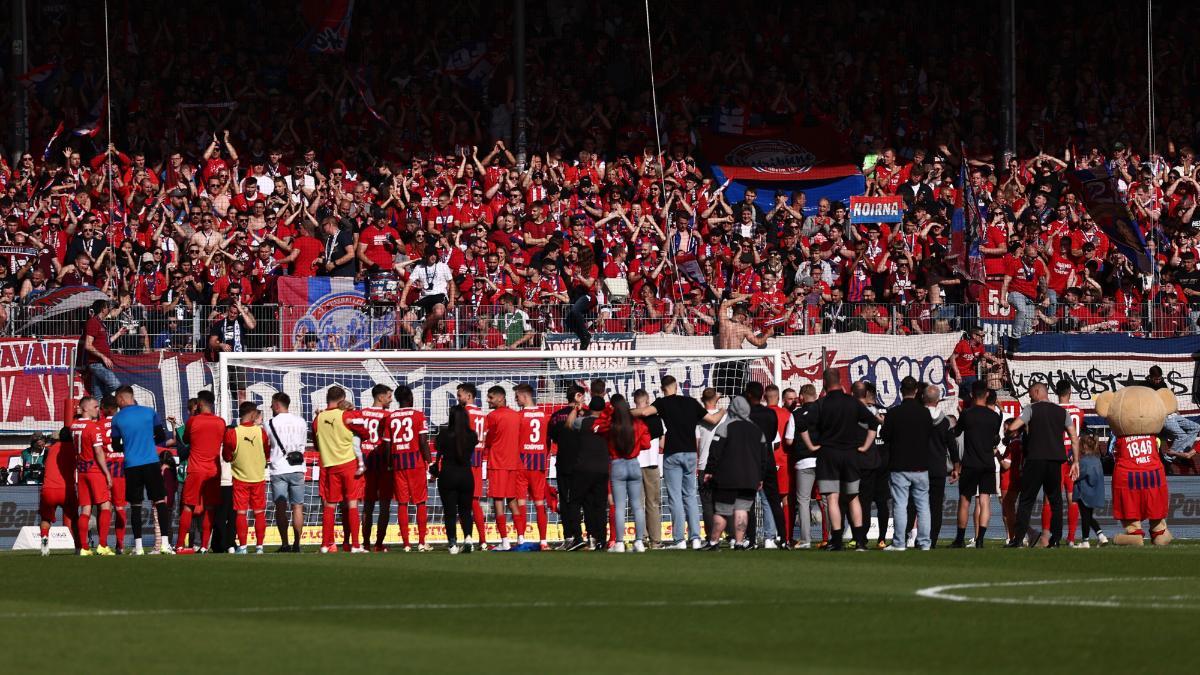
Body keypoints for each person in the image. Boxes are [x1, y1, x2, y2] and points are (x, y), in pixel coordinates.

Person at [793, 369, 879, 551]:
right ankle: (860, 541)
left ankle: (837, 540)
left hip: (829, 453)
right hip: (850, 453)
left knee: (832, 498)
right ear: (841, 381)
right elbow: (873, 422)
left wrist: (810, 446)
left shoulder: (821, 404)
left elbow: (801, 423)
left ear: (824, 383)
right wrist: (864, 446)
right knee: (853, 497)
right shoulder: (853, 402)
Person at [632, 375, 706, 549]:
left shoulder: (662, 403)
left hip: (672, 454)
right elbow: (710, 419)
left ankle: (679, 539)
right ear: (677, 386)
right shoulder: (691, 402)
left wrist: (621, 411)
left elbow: (643, 412)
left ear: (662, 388)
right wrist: (721, 411)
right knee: (690, 496)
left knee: (674, 497)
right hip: (690, 453)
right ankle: (695, 538)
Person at [1006, 382, 1080, 547]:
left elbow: (1013, 426)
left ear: (1038, 391)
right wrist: (1075, 461)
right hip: (1055, 462)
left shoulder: (1031, 409)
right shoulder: (1062, 412)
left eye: (1031, 393)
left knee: (1026, 501)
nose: (1030, 396)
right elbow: (1074, 437)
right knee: (1056, 501)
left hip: (1035, 460)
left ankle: (1018, 539)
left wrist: (1009, 434)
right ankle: (1056, 539)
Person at [110, 385, 173, 555]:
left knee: (136, 506)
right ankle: (165, 544)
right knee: (160, 502)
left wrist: (130, 445)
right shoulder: (149, 412)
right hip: (151, 462)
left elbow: (115, 445)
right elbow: (160, 437)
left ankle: (138, 548)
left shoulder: (116, 419)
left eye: (117, 400)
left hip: (132, 465)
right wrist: (146, 442)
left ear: (122, 399)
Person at [703, 396, 771, 550]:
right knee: (742, 510)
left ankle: (713, 542)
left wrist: (709, 470)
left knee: (721, 511)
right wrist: (760, 477)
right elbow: (763, 457)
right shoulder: (757, 430)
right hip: (750, 478)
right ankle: (739, 543)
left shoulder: (725, 427)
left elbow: (715, 452)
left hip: (728, 477)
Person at [880, 377, 935, 551]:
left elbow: (886, 436)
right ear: (917, 391)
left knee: (900, 505)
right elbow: (929, 435)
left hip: (900, 465)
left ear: (900, 390)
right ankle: (925, 542)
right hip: (921, 465)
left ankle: (899, 543)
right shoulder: (924, 413)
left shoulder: (894, 413)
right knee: (923, 506)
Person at [313, 386, 367, 553]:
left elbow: (316, 444)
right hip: (349, 463)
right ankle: (356, 545)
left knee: (329, 505)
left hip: (330, 465)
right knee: (352, 504)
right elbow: (365, 432)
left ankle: (325, 544)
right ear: (342, 399)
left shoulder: (318, 418)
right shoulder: (346, 415)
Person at [951, 381, 1002, 548]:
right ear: (987, 394)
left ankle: (960, 539)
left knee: (965, 501)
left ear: (972, 395)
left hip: (971, 463)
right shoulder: (994, 417)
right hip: (988, 463)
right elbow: (995, 438)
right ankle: (980, 539)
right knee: (985, 501)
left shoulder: (967, 414)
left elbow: (956, 432)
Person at [597, 394, 651, 553]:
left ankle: (619, 542)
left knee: (619, 506)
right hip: (634, 463)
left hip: (617, 464)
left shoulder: (610, 425)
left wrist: (606, 412)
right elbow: (647, 444)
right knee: (637, 506)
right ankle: (639, 542)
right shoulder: (638, 424)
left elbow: (596, 427)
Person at [386, 386, 432, 552]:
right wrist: (430, 462)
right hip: (416, 464)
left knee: (402, 503)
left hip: (398, 464)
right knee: (420, 502)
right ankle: (421, 542)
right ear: (411, 398)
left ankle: (406, 544)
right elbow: (423, 441)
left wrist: (389, 463)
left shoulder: (391, 418)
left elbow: (387, 444)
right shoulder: (418, 415)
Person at [350, 384, 395, 552]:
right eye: (389, 397)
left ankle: (366, 543)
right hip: (383, 462)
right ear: (380, 397)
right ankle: (379, 544)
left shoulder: (361, 414)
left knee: (367, 505)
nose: (391, 400)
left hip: (365, 462)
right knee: (384, 505)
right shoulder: (389, 416)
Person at [178, 397, 225, 554]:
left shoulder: (193, 421)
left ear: (198, 405)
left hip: (196, 469)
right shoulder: (221, 422)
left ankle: (179, 545)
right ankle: (204, 546)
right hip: (213, 470)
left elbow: (185, 440)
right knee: (210, 507)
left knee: (188, 506)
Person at [566, 396, 615, 549]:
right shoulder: (608, 423)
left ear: (590, 408)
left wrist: (575, 408)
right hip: (602, 469)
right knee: (599, 506)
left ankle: (578, 536)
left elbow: (568, 425)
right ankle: (600, 539)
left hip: (583, 468)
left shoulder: (583, 422)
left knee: (574, 502)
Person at [1040, 379, 1084, 546]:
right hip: (1072, 457)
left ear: (1055, 392)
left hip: (1055, 456)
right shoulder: (1079, 412)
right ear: (1070, 391)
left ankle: (1046, 537)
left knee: (1049, 498)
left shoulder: (1052, 410)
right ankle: (1071, 538)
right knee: (1072, 498)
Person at [222, 401, 270, 554]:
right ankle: (259, 547)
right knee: (259, 512)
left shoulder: (233, 433)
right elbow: (267, 453)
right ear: (252, 414)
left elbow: (227, 456)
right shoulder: (260, 432)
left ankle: (243, 547)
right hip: (257, 477)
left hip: (240, 478)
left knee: (241, 513)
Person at [70, 397, 115, 556]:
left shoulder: (74, 426)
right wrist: (107, 473)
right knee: (105, 506)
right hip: (94, 470)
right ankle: (102, 544)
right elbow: (98, 452)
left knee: (86, 509)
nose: (98, 409)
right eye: (95, 407)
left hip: (81, 471)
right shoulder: (93, 428)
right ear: (85, 408)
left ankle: (84, 547)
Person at [743, 382, 786, 548]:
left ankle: (751, 539)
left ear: (748, 395)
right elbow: (773, 435)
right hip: (767, 456)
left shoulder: (744, 414)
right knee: (774, 500)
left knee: (749, 501)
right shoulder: (770, 414)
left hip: (750, 457)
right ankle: (783, 538)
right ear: (762, 395)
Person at [265, 392, 307, 553]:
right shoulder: (301, 421)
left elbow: (268, 444)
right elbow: (302, 444)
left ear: (276, 405)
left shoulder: (269, 423)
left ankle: (285, 543)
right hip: (297, 467)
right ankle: (297, 544)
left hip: (278, 468)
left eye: (271, 404)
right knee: (298, 507)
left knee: (280, 508)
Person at [549, 384, 588, 550]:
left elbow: (554, 437)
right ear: (578, 396)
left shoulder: (556, 416)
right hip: (581, 462)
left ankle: (569, 536)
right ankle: (583, 536)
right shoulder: (584, 415)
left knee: (565, 499)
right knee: (581, 500)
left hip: (563, 461)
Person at [436, 403, 478, 554]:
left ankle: (452, 544)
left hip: (448, 475)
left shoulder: (444, 434)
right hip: (466, 475)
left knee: (450, 512)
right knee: (466, 510)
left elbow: (438, 449)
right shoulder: (472, 435)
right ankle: (468, 538)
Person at [921, 384, 959, 548]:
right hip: (938, 468)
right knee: (935, 506)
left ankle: (917, 537)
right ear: (938, 400)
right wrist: (957, 467)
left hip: (919, 467)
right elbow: (953, 446)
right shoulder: (945, 422)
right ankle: (932, 539)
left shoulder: (918, 418)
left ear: (924, 398)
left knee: (917, 504)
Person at [484, 385, 522, 551]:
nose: (488, 400)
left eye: (491, 397)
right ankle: (521, 538)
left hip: (498, 463)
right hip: (513, 463)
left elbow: (489, 440)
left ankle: (505, 541)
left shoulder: (492, 416)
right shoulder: (516, 416)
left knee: (498, 500)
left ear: (500, 398)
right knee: (512, 500)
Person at [784, 385, 821, 549]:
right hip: (823, 460)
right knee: (827, 500)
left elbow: (789, 440)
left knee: (803, 501)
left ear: (801, 397)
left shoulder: (796, 414)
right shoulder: (823, 412)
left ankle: (806, 540)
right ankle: (832, 537)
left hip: (803, 461)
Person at [39, 400, 79, 555]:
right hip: (66, 489)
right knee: (75, 519)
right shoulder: (75, 449)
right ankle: (78, 547)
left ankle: (44, 544)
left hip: (48, 489)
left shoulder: (51, 449)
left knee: (45, 519)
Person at [514, 384, 551, 549]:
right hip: (538, 463)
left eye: (517, 396)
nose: (516, 399)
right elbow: (548, 441)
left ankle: (521, 538)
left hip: (521, 463)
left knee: (520, 502)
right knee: (539, 503)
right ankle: (543, 541)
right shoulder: (545, 416)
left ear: (524, 396)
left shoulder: (518, 416)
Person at [400, 248, 456, 349]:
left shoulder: (443, 266)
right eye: (430, 254)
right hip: (425, 297)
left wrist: (451, 301)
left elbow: (452, 283)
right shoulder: (419, 267)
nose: (433, 257)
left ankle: (421, 328)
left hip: (439, 295)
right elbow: (408, 284)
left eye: (435, 254)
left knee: (439, 312)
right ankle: (422, 347)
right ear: (426, 256)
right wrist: (402, 301)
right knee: (404, 322)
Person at [458, 383, 491, 550]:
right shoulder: (483, 415)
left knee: (464, 502)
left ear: (468, 395)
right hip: (478, 460)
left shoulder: (464, 413)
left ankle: (468, 538)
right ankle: (483, 541)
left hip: (465, 461)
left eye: (460, 395)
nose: (458, 398)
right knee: (474, 501)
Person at [1145, 366, 1199, 461]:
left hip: (1173, 414)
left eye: (1159, 378)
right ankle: (1168, 458)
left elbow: (1168, 398)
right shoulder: (1145, 387)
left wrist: (1175, 409)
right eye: (1156, 379)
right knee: (1182, 435)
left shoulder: (1163, 384)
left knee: (1196, 427)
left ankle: (1182, 451)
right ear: (1150, 377)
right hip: (1163, 416)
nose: (1158, 381)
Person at [631, 389, 663, 549]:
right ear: (648, 400)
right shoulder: (656, 419)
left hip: (635, 464)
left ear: (635, 401)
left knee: (638, 504)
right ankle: (655, 540)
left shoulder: (630, 418)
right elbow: (662, 441)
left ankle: (641, 538)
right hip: (651, 463)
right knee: (653, 503)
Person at [764, 385, 795, 546]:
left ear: (765, 397)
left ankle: (767, 536)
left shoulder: (761, 415)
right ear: (778, 397)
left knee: (766, 498)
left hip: (765, 460)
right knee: (785, 498)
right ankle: (786, 536)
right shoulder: (787, 414)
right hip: (783, 459)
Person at [98, 397, 129, 553]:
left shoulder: (99, 425)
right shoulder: (124, 422)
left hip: (104, 469)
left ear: (104, 408)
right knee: (120, 507)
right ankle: (120, 544)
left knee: (104, 507)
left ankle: (102, 544)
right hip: (121, 468)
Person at [79, 299, 121, 399]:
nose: (109, 309)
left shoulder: (101, 324)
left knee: (97, 396)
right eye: (107, 307)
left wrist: (118, 333)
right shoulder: (93, 322)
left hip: (101, 363)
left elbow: (107, 343)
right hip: (97, 363)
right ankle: (104, 396)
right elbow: (88, 345)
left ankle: (95, 413)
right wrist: (104, 357)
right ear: (103, 309)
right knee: (116, 385)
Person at [1073, 433, 1109, 548]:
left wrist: (1073, 473)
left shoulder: (1084, 462)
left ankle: (1085, 541)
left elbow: (1077, 475)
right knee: (1088, 516)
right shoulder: (1097, 460)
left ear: (1084, 446)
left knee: (1085, 517)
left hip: (1085, 493)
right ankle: (1101, 535)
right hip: (1093, 492)